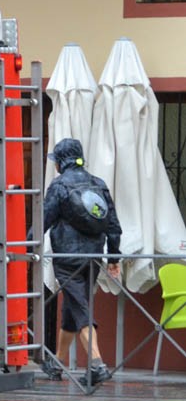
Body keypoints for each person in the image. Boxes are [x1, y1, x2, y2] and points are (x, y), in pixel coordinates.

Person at [40, 138, 122, 385]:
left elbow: (43, 220)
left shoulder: (59, 186)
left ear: (61, 163)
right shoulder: (98, 184)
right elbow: (113, 225)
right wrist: (113, 257)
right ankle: (56, 364)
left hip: (67, 258)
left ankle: (97, 365)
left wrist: (27, 246)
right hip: (93, 257)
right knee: (72, 308)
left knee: (80, 310)